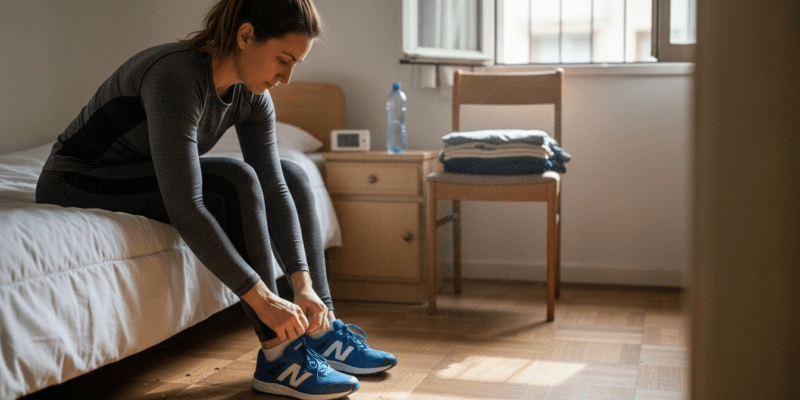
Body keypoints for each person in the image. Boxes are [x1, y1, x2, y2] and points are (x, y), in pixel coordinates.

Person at [35, 0, 396, 399]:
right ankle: (279, 354)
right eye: (282, 60)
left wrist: (302, 284)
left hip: (142, 171)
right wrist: (263, 299)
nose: (287, 78)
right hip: (77, 177)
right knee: (234, 179)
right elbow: (187, 205)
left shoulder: (253, 96)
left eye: (296, 64)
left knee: (292, 174)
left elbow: (275, 185)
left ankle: (322, 328)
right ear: (245, 36)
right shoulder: (175, 76)